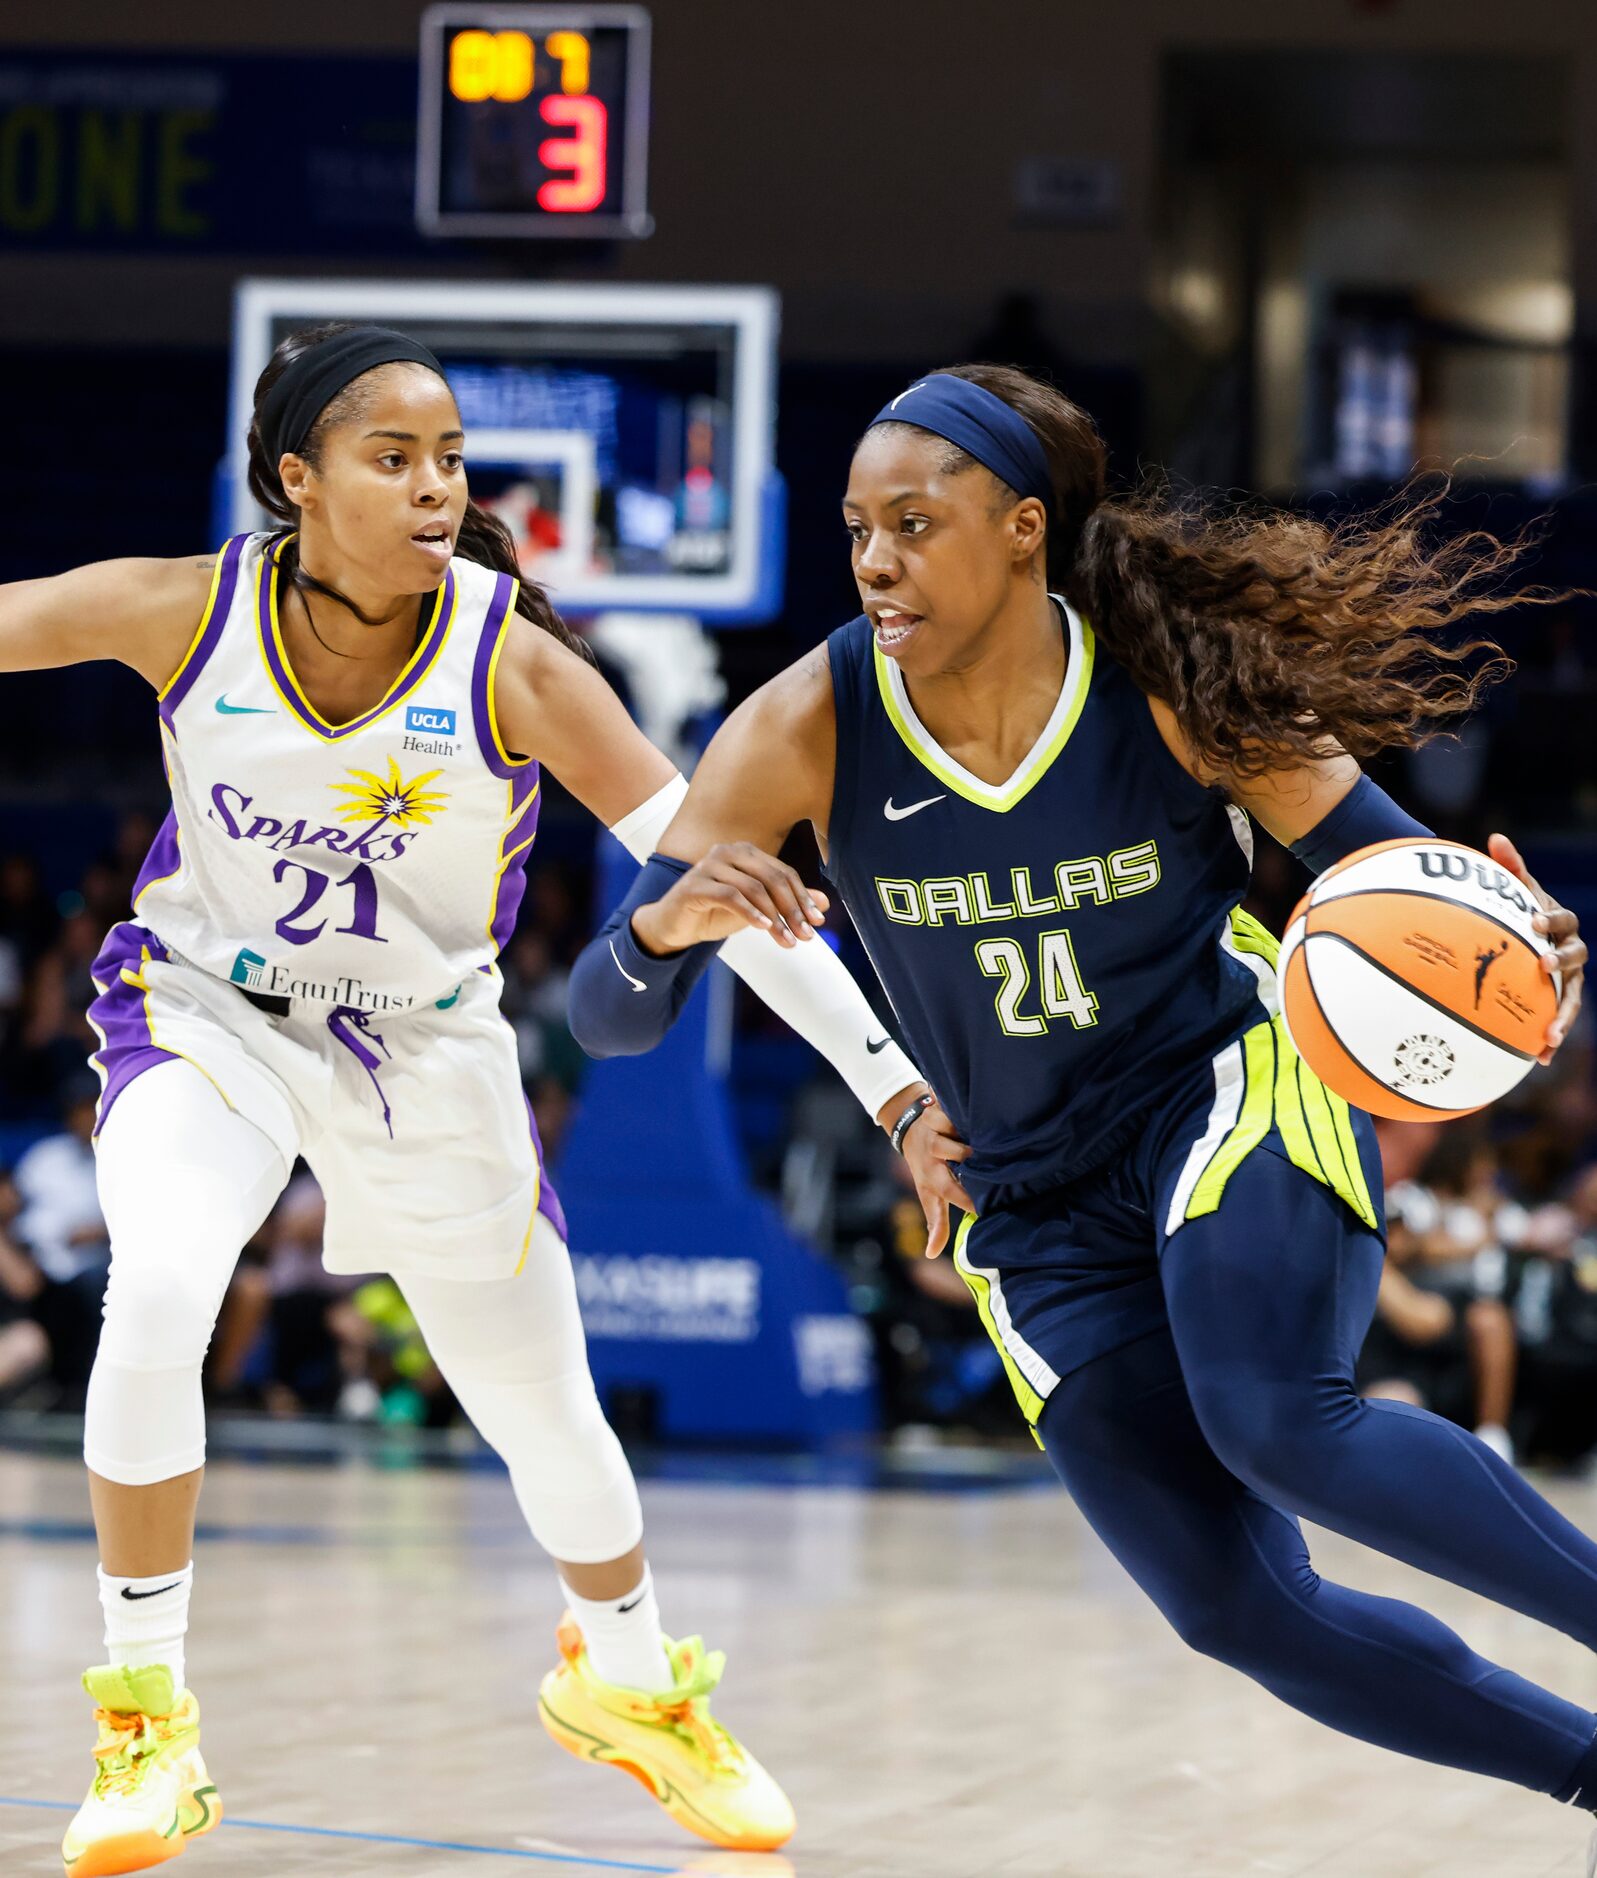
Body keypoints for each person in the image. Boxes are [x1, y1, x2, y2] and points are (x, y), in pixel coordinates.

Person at [565, 363, 1597, 1850]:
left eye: (912, 523)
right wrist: (657, 934)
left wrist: (1516, 938)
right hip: (1028, 1192)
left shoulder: (1168, 677)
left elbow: (1393, 884)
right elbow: (607, 1017)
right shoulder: (801, 725)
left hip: (1218, 1084)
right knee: (1234, 1606)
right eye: (857, 527)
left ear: (1021, 528)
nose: (872, 558)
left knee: (1276, 1421)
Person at [0, 322, 941, 1875]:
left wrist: (898, 1090)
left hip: (424, 1051)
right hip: (203, 1013)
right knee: (159, 1281)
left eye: (446, 458)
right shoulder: (183, 609)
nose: (436, 485)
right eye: (394, 457)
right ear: (297, 480)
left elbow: (724, 886)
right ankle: (146, 1726)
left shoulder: (511, 662)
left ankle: (626, 1679)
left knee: (542, 1410)